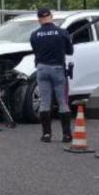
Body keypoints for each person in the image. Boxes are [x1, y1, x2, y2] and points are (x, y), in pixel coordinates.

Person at [29, 8, 74, 143]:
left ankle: (46, 135)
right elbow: (70, 51)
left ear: (39, 20)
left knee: (45, 102)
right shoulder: (62, 32)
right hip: (58, 69)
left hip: (42, 68)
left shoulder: (34, 35)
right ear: (51, 16)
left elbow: (36, 51)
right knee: (62, 102)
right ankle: (66, 135)